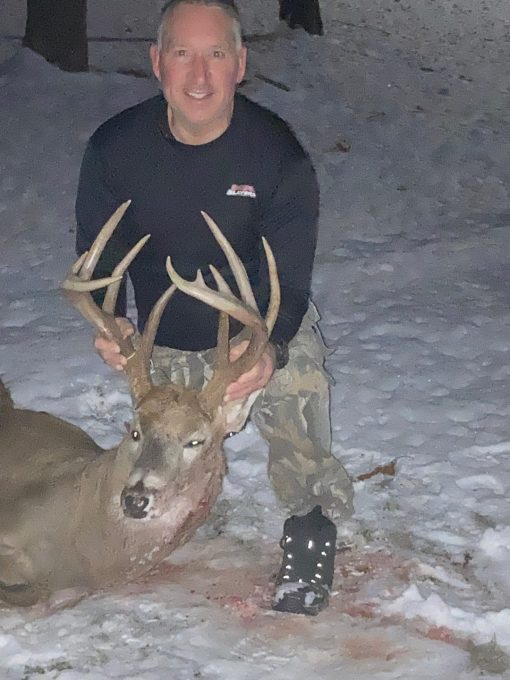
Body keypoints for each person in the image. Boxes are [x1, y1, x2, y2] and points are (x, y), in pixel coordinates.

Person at [75, 0, 353, 614]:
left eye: (216, 55)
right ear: (156, 62)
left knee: (296, 389)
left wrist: (269, 348)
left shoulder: (276, 156)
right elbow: (96, 263)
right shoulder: (115, 149)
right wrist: (108, 320)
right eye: (182, 54)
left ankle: (310, 526)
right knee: (150, 453)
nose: (199, 76)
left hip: (249, 339)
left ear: (240, 65)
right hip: (163, 344)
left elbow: (291, 285)